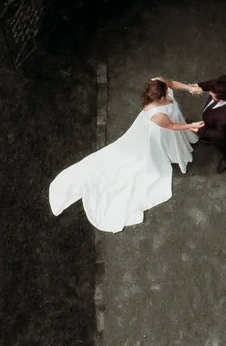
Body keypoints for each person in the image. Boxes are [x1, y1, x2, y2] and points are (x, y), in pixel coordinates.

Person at [48, 77, 205, 232]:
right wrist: (190, 126)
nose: (168, 94)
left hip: (171, 120)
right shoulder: (157, 115)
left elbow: (171, 83)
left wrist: (189, 88)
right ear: (159, 99)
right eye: (165, 95)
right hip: (164, 130)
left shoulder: (158, 83)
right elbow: (171, 126)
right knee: (155, 151)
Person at [168, 75, 226, 172]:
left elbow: (220, 134)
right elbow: (213, 83)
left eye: (212, 96)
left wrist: (201, 130)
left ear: (221, 99)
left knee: (223, 146)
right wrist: (200, 86)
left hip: (222, 137)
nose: (209, 94)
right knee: (209, 137)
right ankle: (208, 140)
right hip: (212, 124)